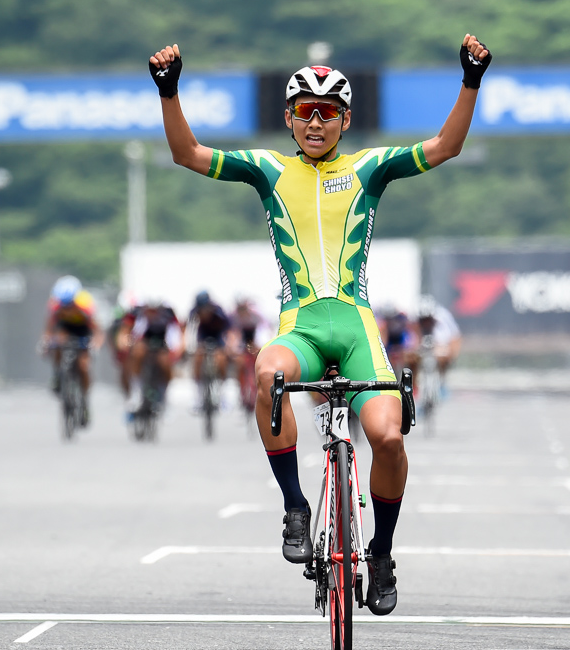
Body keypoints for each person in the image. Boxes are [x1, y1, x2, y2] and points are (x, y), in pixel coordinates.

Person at [149, 33, 492, 615]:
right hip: (302, 329)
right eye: (304, 112)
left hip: (357, 330)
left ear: (344, 121)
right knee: (267, 375)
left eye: (326, 113)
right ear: (288, 119)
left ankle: (380, 552)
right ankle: (294, 506)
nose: (315, 122)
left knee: (387, 437)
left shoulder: (369, 168)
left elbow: (446, 146)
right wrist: (170, 92)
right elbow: (188, 154)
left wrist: (470, 81)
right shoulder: (266, 170)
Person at [41, 275, 101, 426]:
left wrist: (95, 344)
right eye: (63, 304)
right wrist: (46, 342)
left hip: (83, 332)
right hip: (65, 330)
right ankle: (57, 375)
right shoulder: (55, 305)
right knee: (57, 346)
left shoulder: (85, 304)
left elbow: (96, 329)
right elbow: (49, 327)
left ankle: (85, 401)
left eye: (69, 304)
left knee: (83, 366)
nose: (66, 307)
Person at [128, 299, 182, 414]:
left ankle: (164, 396)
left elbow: (174, 335)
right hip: (146, 341)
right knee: (138, 352)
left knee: (164, 362)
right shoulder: (141, 314)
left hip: (162, 342)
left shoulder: (168, 315)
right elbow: (136, 334)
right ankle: (136, 392)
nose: (151, 313)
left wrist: (174, 350)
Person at [186, 291, 233, 409]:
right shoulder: (194, 312)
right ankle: (198, 395)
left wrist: (229, 346)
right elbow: (189, 328)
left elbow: (229, 330)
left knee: (221, 360)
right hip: (202, 336)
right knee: (197, 358)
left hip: (218, 338)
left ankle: (223, 395)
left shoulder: (218, 311)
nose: (203, 313)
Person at [415, 295, 462, 383]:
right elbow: (411, 339)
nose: (426, 323)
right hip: (422, 344)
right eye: (423, 320)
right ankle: (414, 385)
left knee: (443, 356)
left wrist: (451, 355)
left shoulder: (443, 318)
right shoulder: (415, 320)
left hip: (440, 345)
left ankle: (442, 381)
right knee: (411, 357)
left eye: (429, 320)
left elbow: (454, 338)